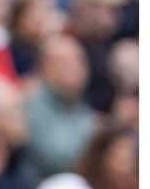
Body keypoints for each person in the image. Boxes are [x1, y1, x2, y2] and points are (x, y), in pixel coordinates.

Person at [23, 34, 97, 180]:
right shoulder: (32, 102)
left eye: (80, 61)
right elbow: (55, 157)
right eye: (65, 63)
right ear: (44, 67)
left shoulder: (78, 102)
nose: (76, 69)